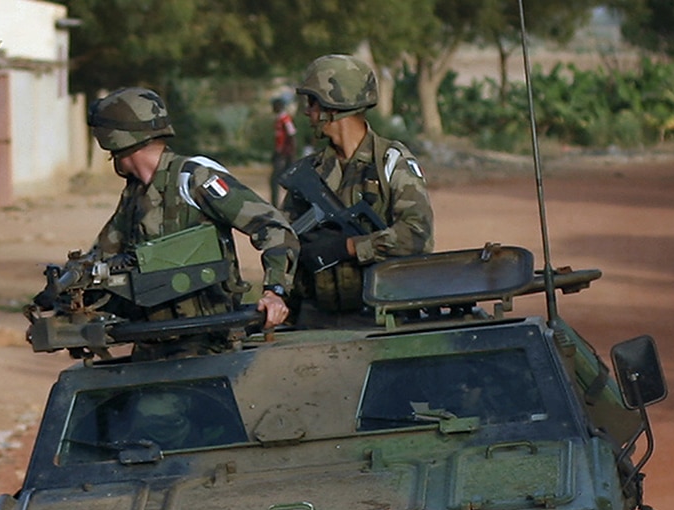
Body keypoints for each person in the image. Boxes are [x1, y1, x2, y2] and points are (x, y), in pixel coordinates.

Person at [86, 87, 298, 357]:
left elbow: (274, 227)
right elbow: (103, 257)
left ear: (113, 139)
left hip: (207, 346)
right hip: (151, 343)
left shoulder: (194, 179)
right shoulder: (135, 193)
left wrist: (274, 292)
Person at [283, 54, 434, 317]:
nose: (307, 111)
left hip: (381, 316)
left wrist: (349, 247)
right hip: (316, 317)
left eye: (312, 102)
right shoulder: (309, 172)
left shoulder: (391, 161)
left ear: (334, 105)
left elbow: (417, 234)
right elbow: (283, 237)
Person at [270, 94, 298, 205]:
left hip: (285, 154)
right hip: (280, 153)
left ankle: (277, 204)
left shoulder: (285, 119)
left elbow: (291, 135)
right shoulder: (278, 120)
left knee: (275, 179)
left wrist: (290, 153)